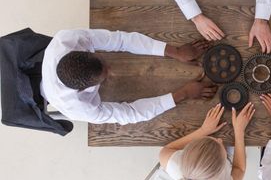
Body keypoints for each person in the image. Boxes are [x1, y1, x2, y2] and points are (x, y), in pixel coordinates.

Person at [41, 29, 217, 124]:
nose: (112, 70)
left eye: (104, 63)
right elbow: (130, 114)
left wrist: (175, 51)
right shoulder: (79, 108)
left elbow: (121, 40)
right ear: (83, 90)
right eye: (105, 75)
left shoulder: (67, 40)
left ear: (84, 52)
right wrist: (182, 94)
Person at [159, 103, 255, 180]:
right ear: (223, 166)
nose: (220, 140)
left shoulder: (169, 160)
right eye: (221, 144)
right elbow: (239, 168)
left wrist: (204, 130)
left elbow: (170, 147)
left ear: (189, 149)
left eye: (209, 139)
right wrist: (239, 132)